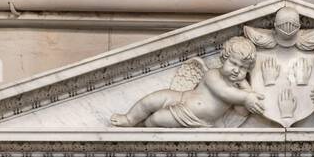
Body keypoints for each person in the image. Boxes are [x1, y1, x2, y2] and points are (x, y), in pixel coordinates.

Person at [110, 36, 265, 127]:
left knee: (155, 120)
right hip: (180, 97)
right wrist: (246, 97)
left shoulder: (237, 91)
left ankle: (147, 128)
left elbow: (242, 112)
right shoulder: (213, 75)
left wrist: (245, 87)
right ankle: (130, 118)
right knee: (151, 100)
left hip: (192, 118)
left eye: (243, 68)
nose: (237, 70)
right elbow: (224, 93)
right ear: (223, 59)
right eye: (234, 63)